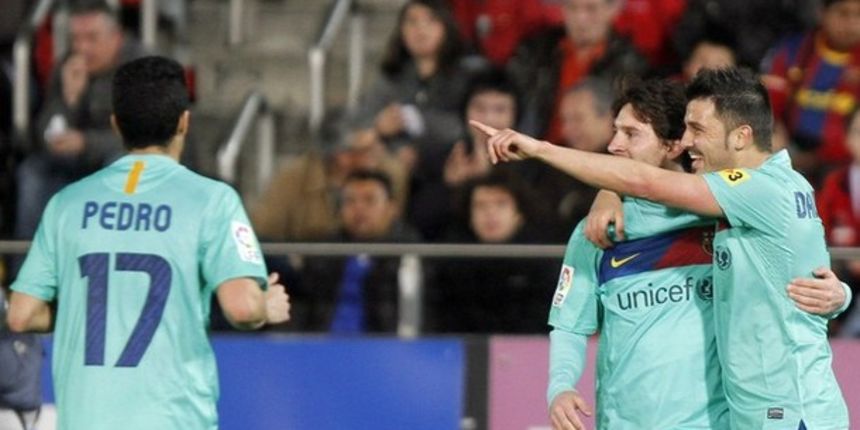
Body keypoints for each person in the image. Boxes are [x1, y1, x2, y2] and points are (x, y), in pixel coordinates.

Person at [473, 68, 850, 429]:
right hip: (723, 417)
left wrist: (541, 150)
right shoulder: (604, 229)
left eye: (697, 129)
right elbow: (570, 323)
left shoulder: (749, 195)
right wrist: (841, 294)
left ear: (739, 136)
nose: (688, 141)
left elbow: (647, 182)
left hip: (780, 412)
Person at [5, 56, 290, 429]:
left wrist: (83, 305)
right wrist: (265, 307)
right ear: (184, 122)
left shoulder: (66, 205)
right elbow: (241, 307)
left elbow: (21, 314)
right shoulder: (212, 201)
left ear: (116, 125)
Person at [17, 2, 148, 239]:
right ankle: (30, 269)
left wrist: (86, 143)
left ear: (115, 37)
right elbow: (45, 134)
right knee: (33, 172)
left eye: (91, 38)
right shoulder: (68, 65)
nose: (82, 48)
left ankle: (111, 262)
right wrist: (69, 99)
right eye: (75, 39)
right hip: (78, 163)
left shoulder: (142, 67)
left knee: (121, 166)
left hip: (125, 158)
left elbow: (146, 136)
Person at [427, 171, 557, 333]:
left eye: (501, 204)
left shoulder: (542, 260)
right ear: (469, 216)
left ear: (519, 214)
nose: (490, 213)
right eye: (480, 206)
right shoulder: (451, 262)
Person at [294, 170, 420, 333]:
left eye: (369, 200)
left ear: (392, 208)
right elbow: (301, 308)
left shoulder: (411, 253)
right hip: (321, 348)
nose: (358, 208)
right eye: (350, 201)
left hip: (384, 350)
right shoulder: (323, 253)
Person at [507, 0, 649, 144]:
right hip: (536, 151)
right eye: (572, 8)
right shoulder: (535, 52)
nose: (581, 18)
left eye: (591, 9)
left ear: (613, 10)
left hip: (598, 157)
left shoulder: (632, 65)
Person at [762, 0, 860, 179]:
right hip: (789, 151)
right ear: (822, 13)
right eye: (843, 13)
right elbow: (769, 104)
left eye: (858, 15)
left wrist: (820, 157)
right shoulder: (793, 50)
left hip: (845, 161)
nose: (852, 23)